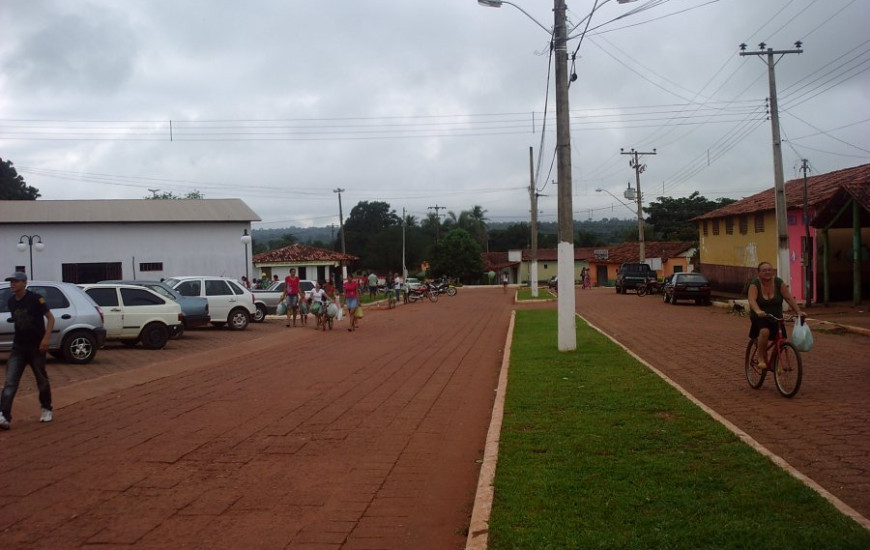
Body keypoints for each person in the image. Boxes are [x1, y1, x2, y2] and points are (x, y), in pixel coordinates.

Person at [0, 272, 55, 430]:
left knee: (41, 379)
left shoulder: (35, 299)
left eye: (16, 281)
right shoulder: (11, 301)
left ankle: (46, 408)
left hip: (36, 347)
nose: (13, 284)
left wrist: (46, 338)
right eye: (11, 282)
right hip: (19, 347)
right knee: (10, 381)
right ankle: (4, 415)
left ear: (24, 283)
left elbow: (50, 318)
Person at [747, 261, 805, 369]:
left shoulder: (779, 283)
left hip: (776, 316)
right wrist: (758, 311)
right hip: (760, 316)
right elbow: (751, 300)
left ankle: (774, 361)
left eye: (770, 270)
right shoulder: (755, 284)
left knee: (781, 339)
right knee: (765, 332)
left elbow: (788, 298)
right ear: (758, 273)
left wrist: (798, 311)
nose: (767, 272)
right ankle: (760, 357)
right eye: (764, 270)